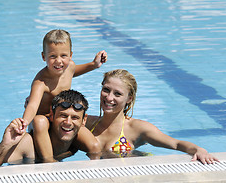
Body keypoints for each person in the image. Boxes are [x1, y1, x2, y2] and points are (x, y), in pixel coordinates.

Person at [86, 69, 219, 164]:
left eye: (118, 94)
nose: (109, 97)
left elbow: (175, 143)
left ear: (129, 99)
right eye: (106, 90)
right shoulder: (88, 123)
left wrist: (199, 149)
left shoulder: (137, 128)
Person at [22, 29, 106, 162]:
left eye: (63, 56)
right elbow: (32, 106)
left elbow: (74, 71)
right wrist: (24, 123)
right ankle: (49, 161)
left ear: (71, 55)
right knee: (40, 122)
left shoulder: (69, 67)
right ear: (44, 57)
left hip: (61, 118)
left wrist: (94, 65)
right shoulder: (41, 82)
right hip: (44, 121)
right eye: (53, 56)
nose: (59, 61)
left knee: (94, 146)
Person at [0, 90, 90, 167]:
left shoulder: (78, 143)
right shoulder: (29, 145)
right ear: (51, 115)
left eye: (75, 117)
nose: (68, 123)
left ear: (83, 120)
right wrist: (5, 144)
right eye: (63, 116)